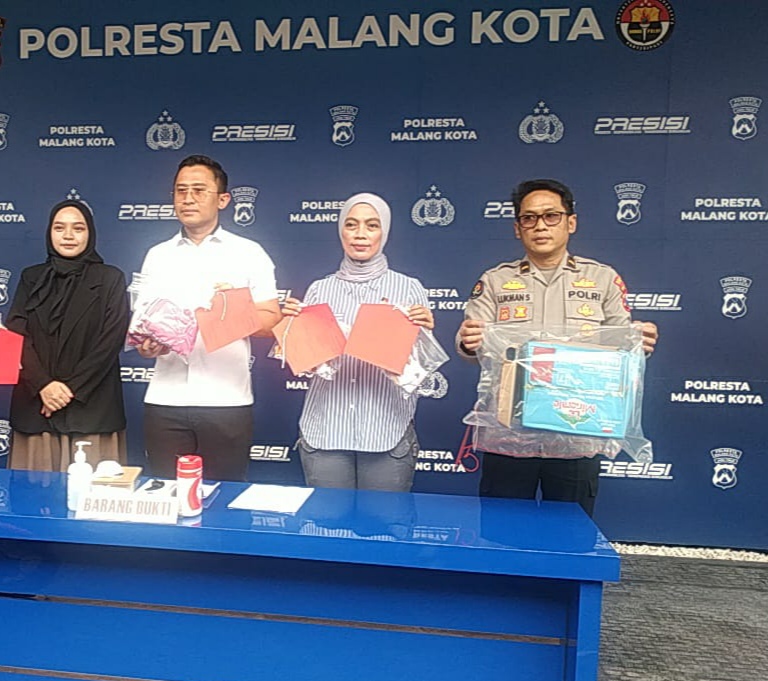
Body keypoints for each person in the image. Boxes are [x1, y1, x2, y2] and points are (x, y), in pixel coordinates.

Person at [456, 178, 659, 516]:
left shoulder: (602, 279)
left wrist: (639, 342)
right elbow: (471, 343)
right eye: (529, 218)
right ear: (517, 228)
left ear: (571, 222)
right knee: (502, 532)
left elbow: (622, 345)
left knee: (571, 534)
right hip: (509, 437)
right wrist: (467, 341)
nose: (540, 226)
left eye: (551, 216)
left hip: (577, 431)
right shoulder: (495, 280)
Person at [134, 155, 281, 481]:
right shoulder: (157, 255)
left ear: (223, 200)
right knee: (168, 495)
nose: (188, 198)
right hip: (165, 399)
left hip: (226, 400)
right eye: (180, 190)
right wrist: (148, 345)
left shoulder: (249, 252)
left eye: (199, 190)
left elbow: (272, 319)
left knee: (224, 496)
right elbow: (144, 326)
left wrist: (233, 310)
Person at [281, 193, 433, 492]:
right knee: (325, 520)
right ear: (341, 231)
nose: (360, 234)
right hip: (324, 430)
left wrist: (424, 336)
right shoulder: (319, 289)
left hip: (386, 430)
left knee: (383, 522)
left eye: (371, 225)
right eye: (351, 225)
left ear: (384, 232)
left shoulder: (409, 288)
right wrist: (291, 333)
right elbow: (307, 364)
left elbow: (420, 368)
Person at [6, 199, 129, 471]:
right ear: (49, 233)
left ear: (90, 233)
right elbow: (16, 335)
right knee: (33, 493)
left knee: (93, 494)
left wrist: (66, 391)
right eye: (60, 228)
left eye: (78, 228)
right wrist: (43, 385)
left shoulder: (111, 279)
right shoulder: (31, 277)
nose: (69, 235)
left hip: (92, 409)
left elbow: (110, 341)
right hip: (36, 408)